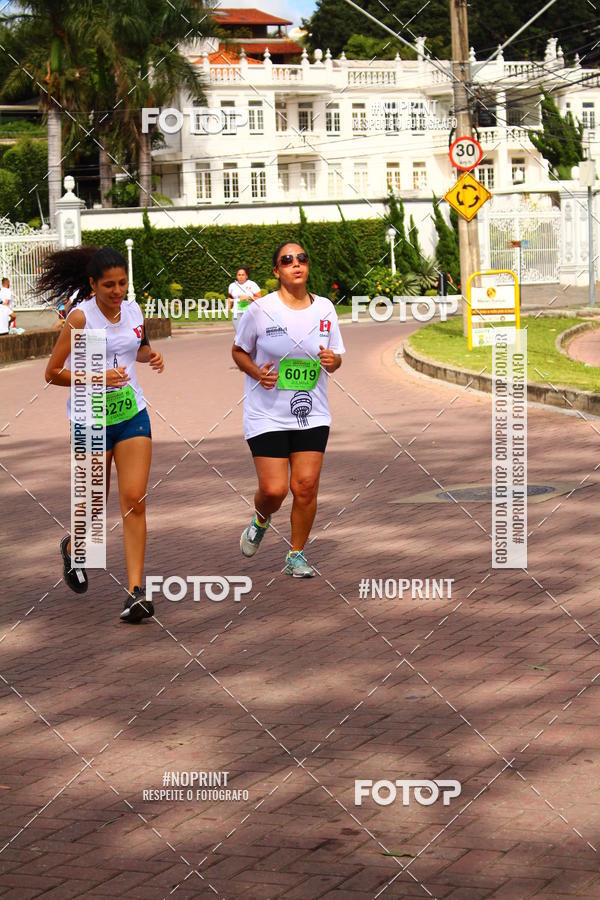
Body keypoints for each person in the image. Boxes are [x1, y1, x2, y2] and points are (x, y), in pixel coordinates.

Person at [44, 247, 165, 623]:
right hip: (89, 418)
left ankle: (135, 592)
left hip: (132, 414)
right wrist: (98, 377)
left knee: (135, 500)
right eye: (109, 285)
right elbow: (52, 372)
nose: (117, 291)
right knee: (95, 507)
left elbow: (138, 348)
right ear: (93, 284)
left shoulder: (133, 311)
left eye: (122, 283)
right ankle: (74, 548)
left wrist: (152, 355)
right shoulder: (81, 318)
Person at [232, 241, 345, 577]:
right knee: (274, 490)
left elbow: (336, 356)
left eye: (302, 258)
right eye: (287, 260)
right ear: (276, 271)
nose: (296, 264)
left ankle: (296, 554)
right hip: (266, 413)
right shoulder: (260, 309)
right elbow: (238, 351)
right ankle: (260, 519)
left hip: (312, 412)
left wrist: (333, 361)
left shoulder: (325, 308)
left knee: (305, 486)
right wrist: (257, 373)